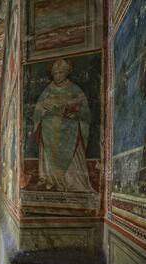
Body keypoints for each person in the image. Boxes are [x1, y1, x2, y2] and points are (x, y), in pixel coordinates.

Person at [32, 58, 94, 192]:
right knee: (46, 132)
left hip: (69, 129)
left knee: (73, 138)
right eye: (55, 73)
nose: (58, 75)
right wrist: (43, 108)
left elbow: (86, 113)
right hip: (49, 130)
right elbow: (37, 111)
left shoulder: (75, 89)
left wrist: (76, 114)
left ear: (67, 73)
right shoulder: (47, 90)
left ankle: (72, 181)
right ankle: (51, 179)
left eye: (61, 72)